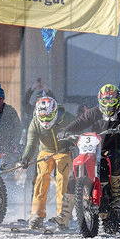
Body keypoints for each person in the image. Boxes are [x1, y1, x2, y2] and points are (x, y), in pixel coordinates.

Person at [63, 84, 120, 228]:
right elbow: (80, 122)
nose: (108, 103)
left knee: (113, 162)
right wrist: (66, 131)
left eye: (111, 100)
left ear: (117, 100)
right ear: (100, 100)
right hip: (93, 148)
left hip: (111, 148)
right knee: (73, 175)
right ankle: (64, 215)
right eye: (105, 100)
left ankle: (115, 198)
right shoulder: (94, 112)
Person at [18, 96, 76, 229]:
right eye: (42, 116)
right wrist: (25, 158)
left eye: (48, 116)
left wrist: (71, 143)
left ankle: (63, 215)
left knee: (62, 179)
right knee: (42, 179)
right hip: (45, 151)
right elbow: (31, 144)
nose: (45, 120)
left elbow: (79, 133)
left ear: (55, 112)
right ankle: (37, 214)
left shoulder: (67, 118)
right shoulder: (35, 123)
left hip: (63, 151)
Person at [0, 84, 22, 156]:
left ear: (3, 99)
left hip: (8, 146)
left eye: (1, 98)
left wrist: (14, 144)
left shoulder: (10, 111)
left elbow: (18, 127)